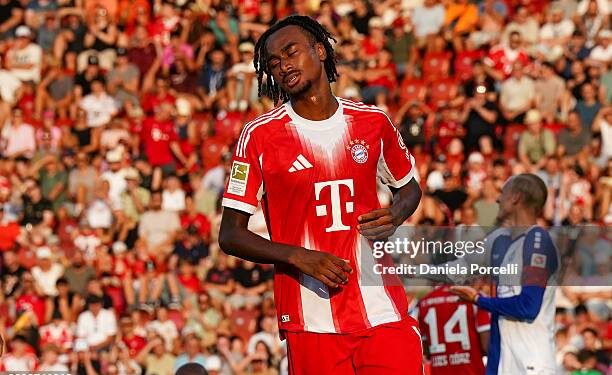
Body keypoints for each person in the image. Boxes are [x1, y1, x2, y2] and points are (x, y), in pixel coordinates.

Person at [219, 15, 423, 375]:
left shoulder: (373, 121)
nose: (283, 66)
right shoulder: (260, 135)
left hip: (383, 308)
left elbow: (408, 187)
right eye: (274, 63)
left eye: (290, 52)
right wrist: (297, 256)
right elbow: (231, 234)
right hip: (311, 318)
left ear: (320, 50)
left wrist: (396, 214)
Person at [451, 174, 560, 375]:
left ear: (516, 198)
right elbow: (460, 266)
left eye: (503, 193)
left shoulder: (538, 240)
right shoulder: (500, 240)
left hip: (533, 365)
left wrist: (477, 299)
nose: (498, 199)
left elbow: (528, 307)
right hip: (503, 363)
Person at [417, 285, 490, 375]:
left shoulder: (423, 302)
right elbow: (486, 346)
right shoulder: (472, 297)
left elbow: (425, 349)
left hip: (440, 370)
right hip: (471, 370)